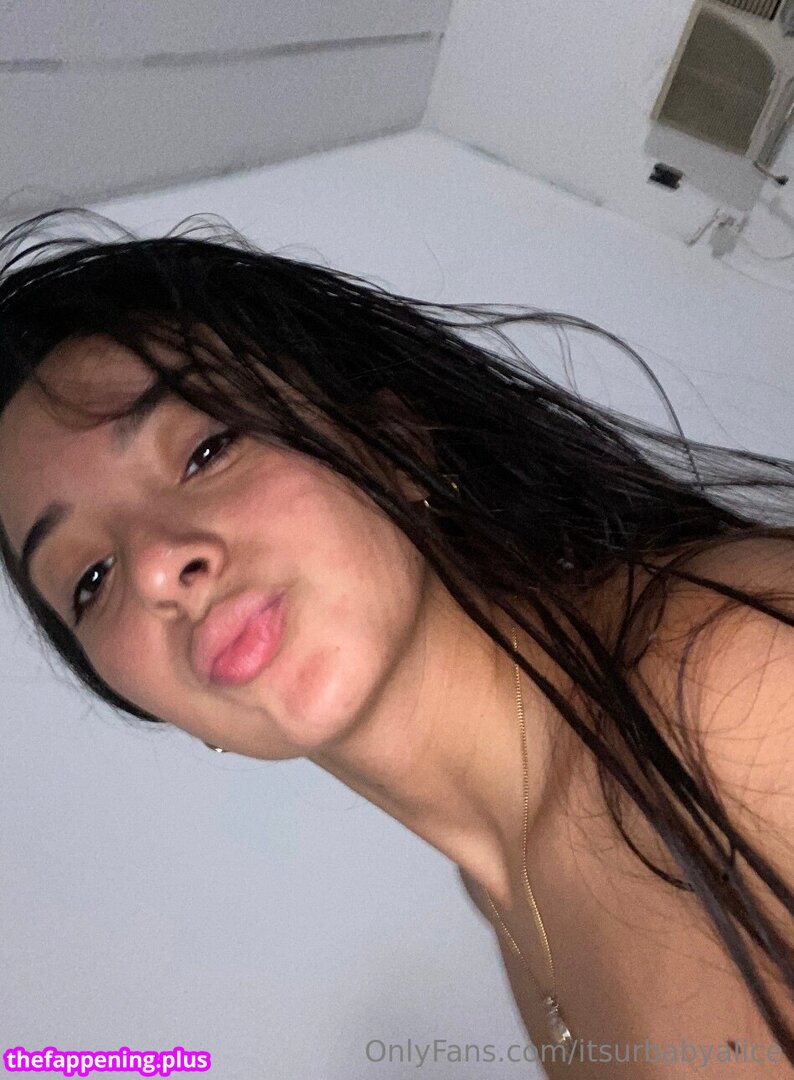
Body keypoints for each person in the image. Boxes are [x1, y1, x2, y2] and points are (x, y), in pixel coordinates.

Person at [0, 209, 792, 1077]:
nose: (157, 568)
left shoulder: (736, 676)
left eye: (206, 450)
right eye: (90, 579)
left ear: (395, 444)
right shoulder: (502, 905)